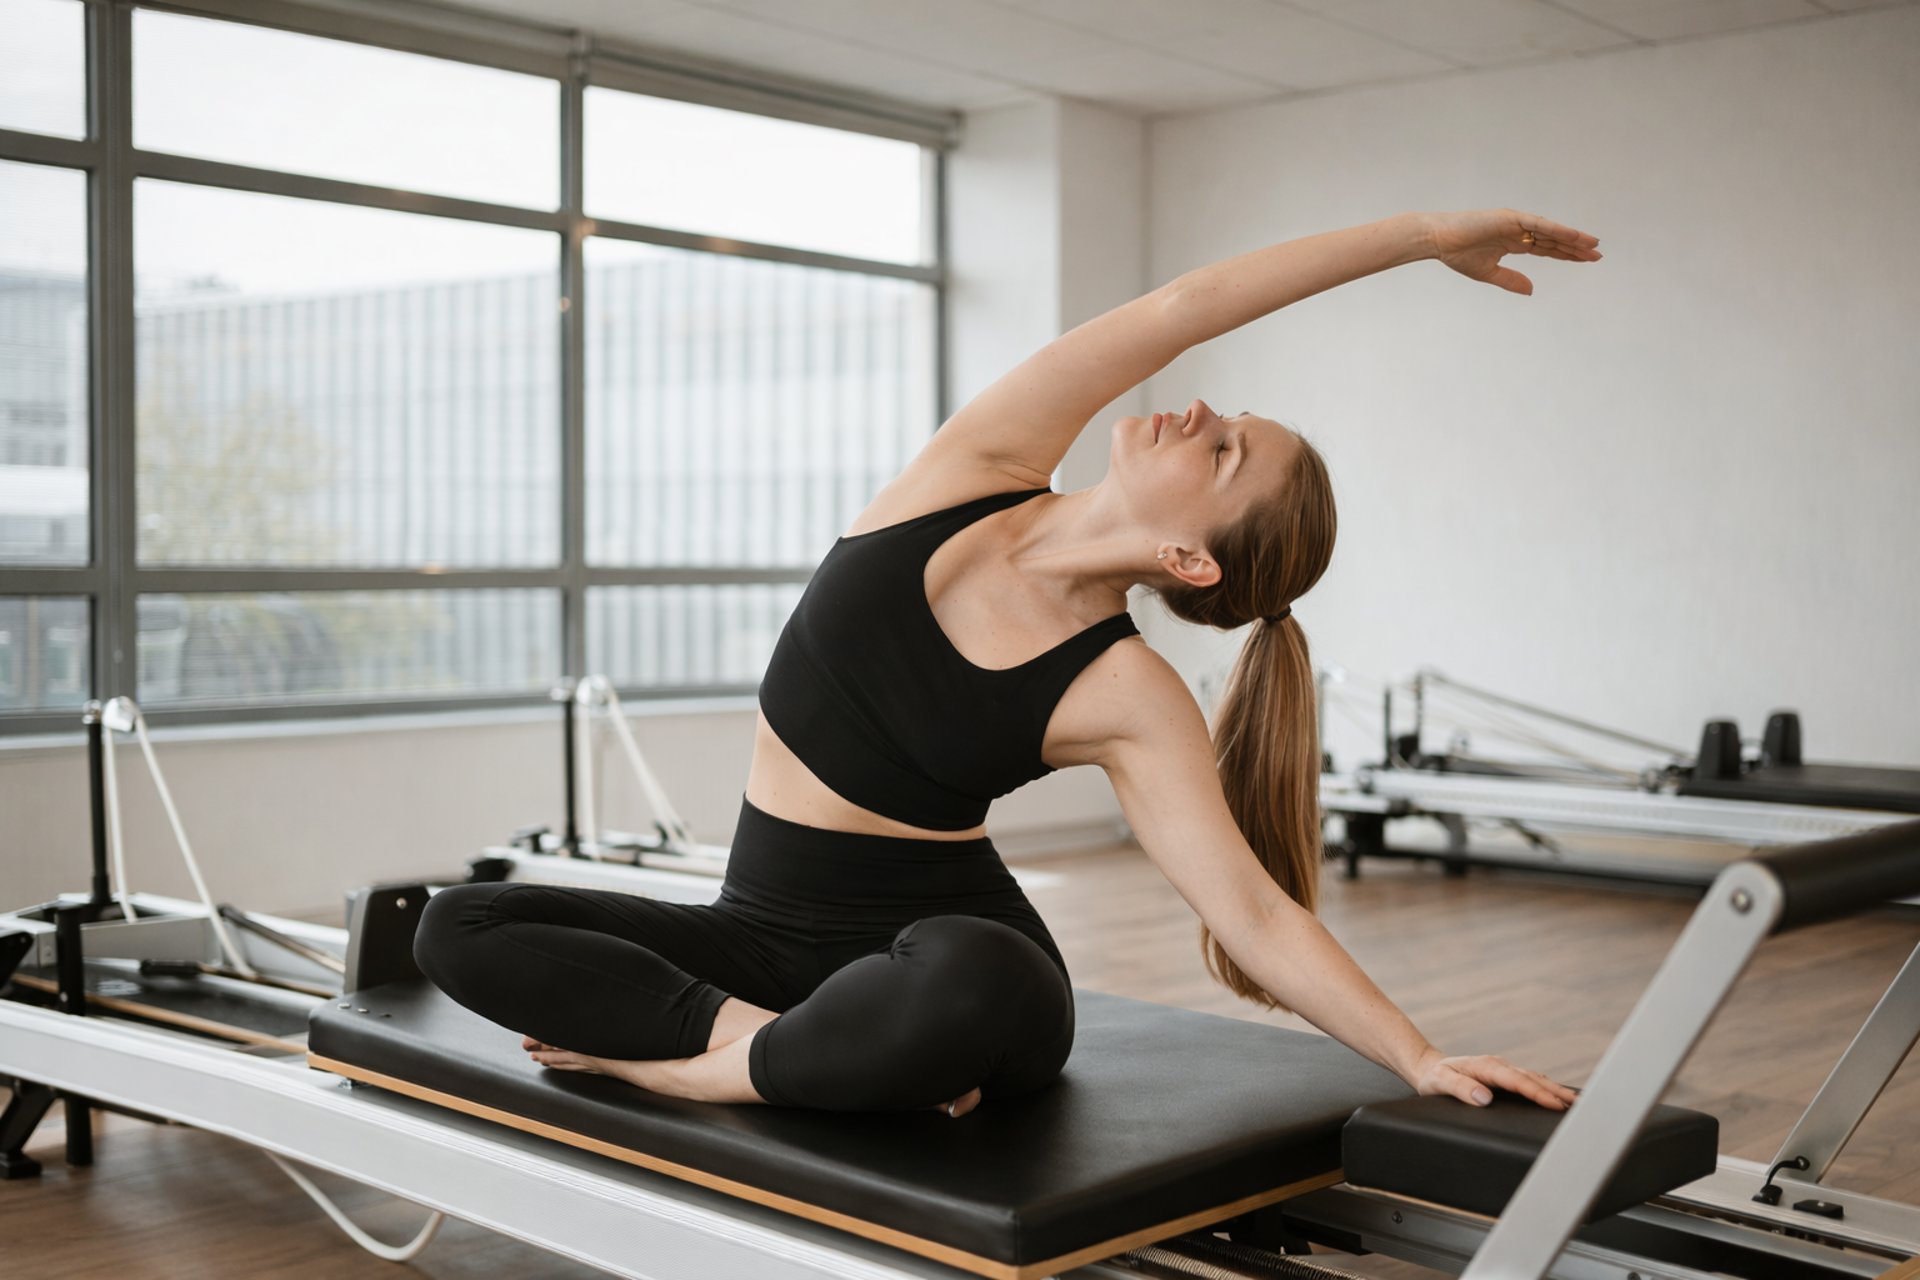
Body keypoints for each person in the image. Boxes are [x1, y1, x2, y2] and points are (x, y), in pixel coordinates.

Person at [415, 207, 1601, 1120]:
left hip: (946, 963)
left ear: (1189, 558)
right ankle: (783, 1046)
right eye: (1227, 414)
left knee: (979, 970)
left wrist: (1418, 1054)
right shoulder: (976, 469)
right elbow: (1188, 305)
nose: (1198, 412)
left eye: (1226, 451)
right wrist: (1423, 238)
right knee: (458, 924)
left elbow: (1249, 908)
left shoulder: (1125, 689)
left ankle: (689, 1068)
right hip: (756, 932)